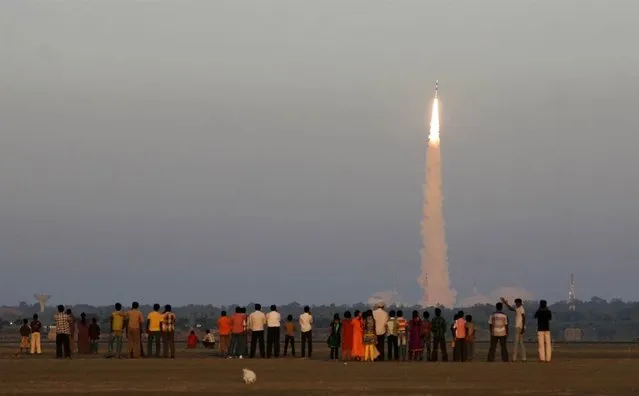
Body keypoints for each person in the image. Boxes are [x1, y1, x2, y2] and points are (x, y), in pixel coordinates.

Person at [502, 297, 526, 362]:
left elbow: (524, 318)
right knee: (520, 342)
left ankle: (514, 358)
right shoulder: (518, 308)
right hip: (519, 326)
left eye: (517, 303)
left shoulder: (521, 309)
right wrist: (505, 303)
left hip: (519, 326)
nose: (516, 304)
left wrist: (523, 327)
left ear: (520, 303)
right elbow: (511, 309)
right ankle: (523, 358)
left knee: (516, 342)